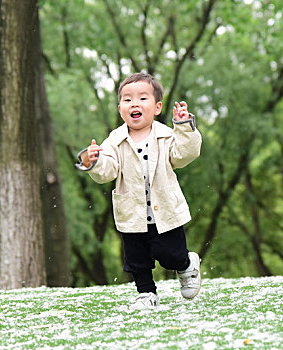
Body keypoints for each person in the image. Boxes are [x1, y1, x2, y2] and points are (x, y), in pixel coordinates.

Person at [75, 72, 202, 310]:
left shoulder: (166, 136)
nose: (134, 103)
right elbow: (109, 170)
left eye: (143, 98)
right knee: (137, 260)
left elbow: (185, 154)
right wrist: (94, 161)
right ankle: (146, 293)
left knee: (170, 255)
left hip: (165, 211)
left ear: (157, 107)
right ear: (120, 109)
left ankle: (186, 264)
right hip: (132, 213)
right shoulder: (114, 140)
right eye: (127, 99)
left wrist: (184, 127)